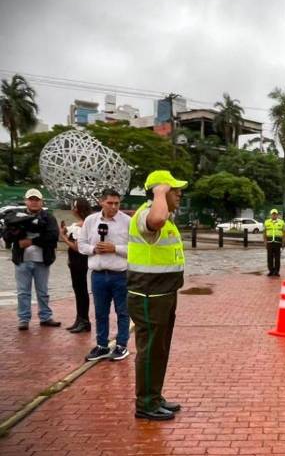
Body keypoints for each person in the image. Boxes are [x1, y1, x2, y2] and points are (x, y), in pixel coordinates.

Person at [127, 170, 188, 421]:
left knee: (159, 349)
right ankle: (145, 403)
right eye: (174, 190)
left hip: (163, 292)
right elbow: (157, 221)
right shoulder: (147, 214)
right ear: (158, 191)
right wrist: (160, 191)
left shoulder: (168, 218)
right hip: (148, 293)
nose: (179, 194)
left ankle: (155, 396)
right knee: (150, 350)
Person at [78, 188, 131, 361]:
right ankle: (102, 345)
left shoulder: (127, 222)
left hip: (120, 275)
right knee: (101, 312)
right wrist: (94, 249)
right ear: (101, 202)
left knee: (122, 311)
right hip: (98, 274)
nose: (114, 207)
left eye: (117, 203)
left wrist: (115, 248)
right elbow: (81, 244)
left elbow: (136, 249)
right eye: (110, 203)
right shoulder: (91, 221)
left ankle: (122, 345)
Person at [5, 188, 61, 330]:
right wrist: (17, 235)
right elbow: (7, 236)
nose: (34, 202)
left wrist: (32, 242)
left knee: (43, 291)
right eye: (31, 199)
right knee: (23, 291)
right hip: (22, 260)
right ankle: (24, 319)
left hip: (42, 260)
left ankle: (45, 317)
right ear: (26, 201)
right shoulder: (15, 217)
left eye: (37, 200)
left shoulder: (48, 218)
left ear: (42, 202)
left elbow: (53, 236)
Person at [59, 198, 92, 333]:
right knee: (79, 290)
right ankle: (80, 319)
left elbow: (77, 247)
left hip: (79, 260)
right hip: (76, 261)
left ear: (77, 209)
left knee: (81, 290)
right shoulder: (82, 224)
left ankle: (84, 320)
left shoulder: (82, 226)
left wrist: (64, 238)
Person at [263, 209, 285, 277]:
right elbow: (264, 233)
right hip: (269, 242)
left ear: (277, 215)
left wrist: (284, 241)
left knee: (277, 257)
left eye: (275, 214)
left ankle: (276, 271)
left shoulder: (282, 222)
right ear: (270, 215)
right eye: (273, 214)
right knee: (269, 257)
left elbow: (284, 233)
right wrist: (265, 241)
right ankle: (270, 271)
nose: (274, 215)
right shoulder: (266, 222)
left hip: (278, 242)